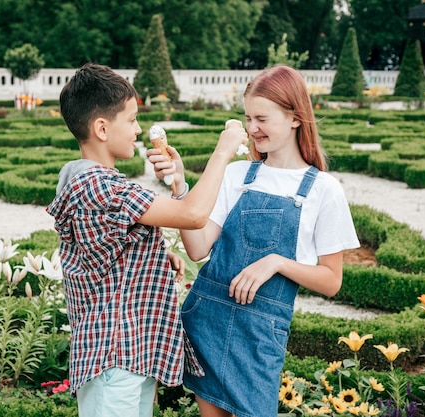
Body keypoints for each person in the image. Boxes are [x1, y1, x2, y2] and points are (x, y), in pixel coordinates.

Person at [149, 65, 360, 417]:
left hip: (261, 334)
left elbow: (331, 280)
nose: (251, 129)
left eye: (261, 118)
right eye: (247, 118)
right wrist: (179, 186)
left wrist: (276, 262)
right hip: (208, 320)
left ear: (295, 117)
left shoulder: (323, 190)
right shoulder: (237, 175)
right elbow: (198, 248)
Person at [45, 62, 248, 417]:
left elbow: (108, 251)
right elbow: (193, 215)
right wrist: (224, 150)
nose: (138, 129)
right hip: (115, 359)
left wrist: (153, 254)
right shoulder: (102, 187)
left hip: (127, 357)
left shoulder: (97, 182)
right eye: (132, 119)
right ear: (102, 128)